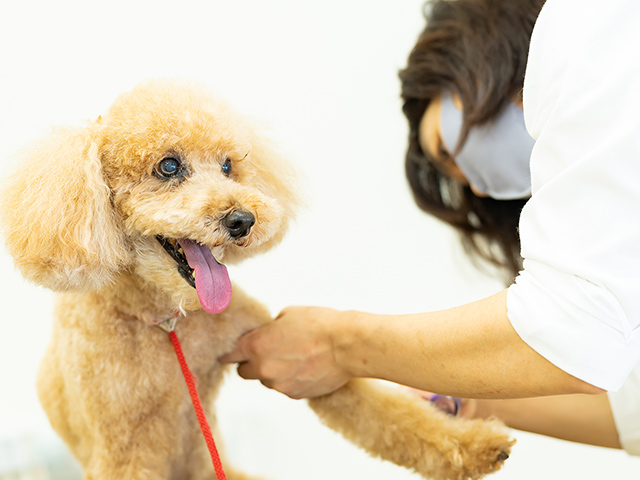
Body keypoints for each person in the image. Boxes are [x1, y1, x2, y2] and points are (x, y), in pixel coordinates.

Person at [220, 0, 640, 456]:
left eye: (445, 151)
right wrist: (471, 397)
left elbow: (574, 328)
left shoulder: (591, 24)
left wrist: (339, 344)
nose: (480, 187)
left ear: (462, 59)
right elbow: (621, 394)